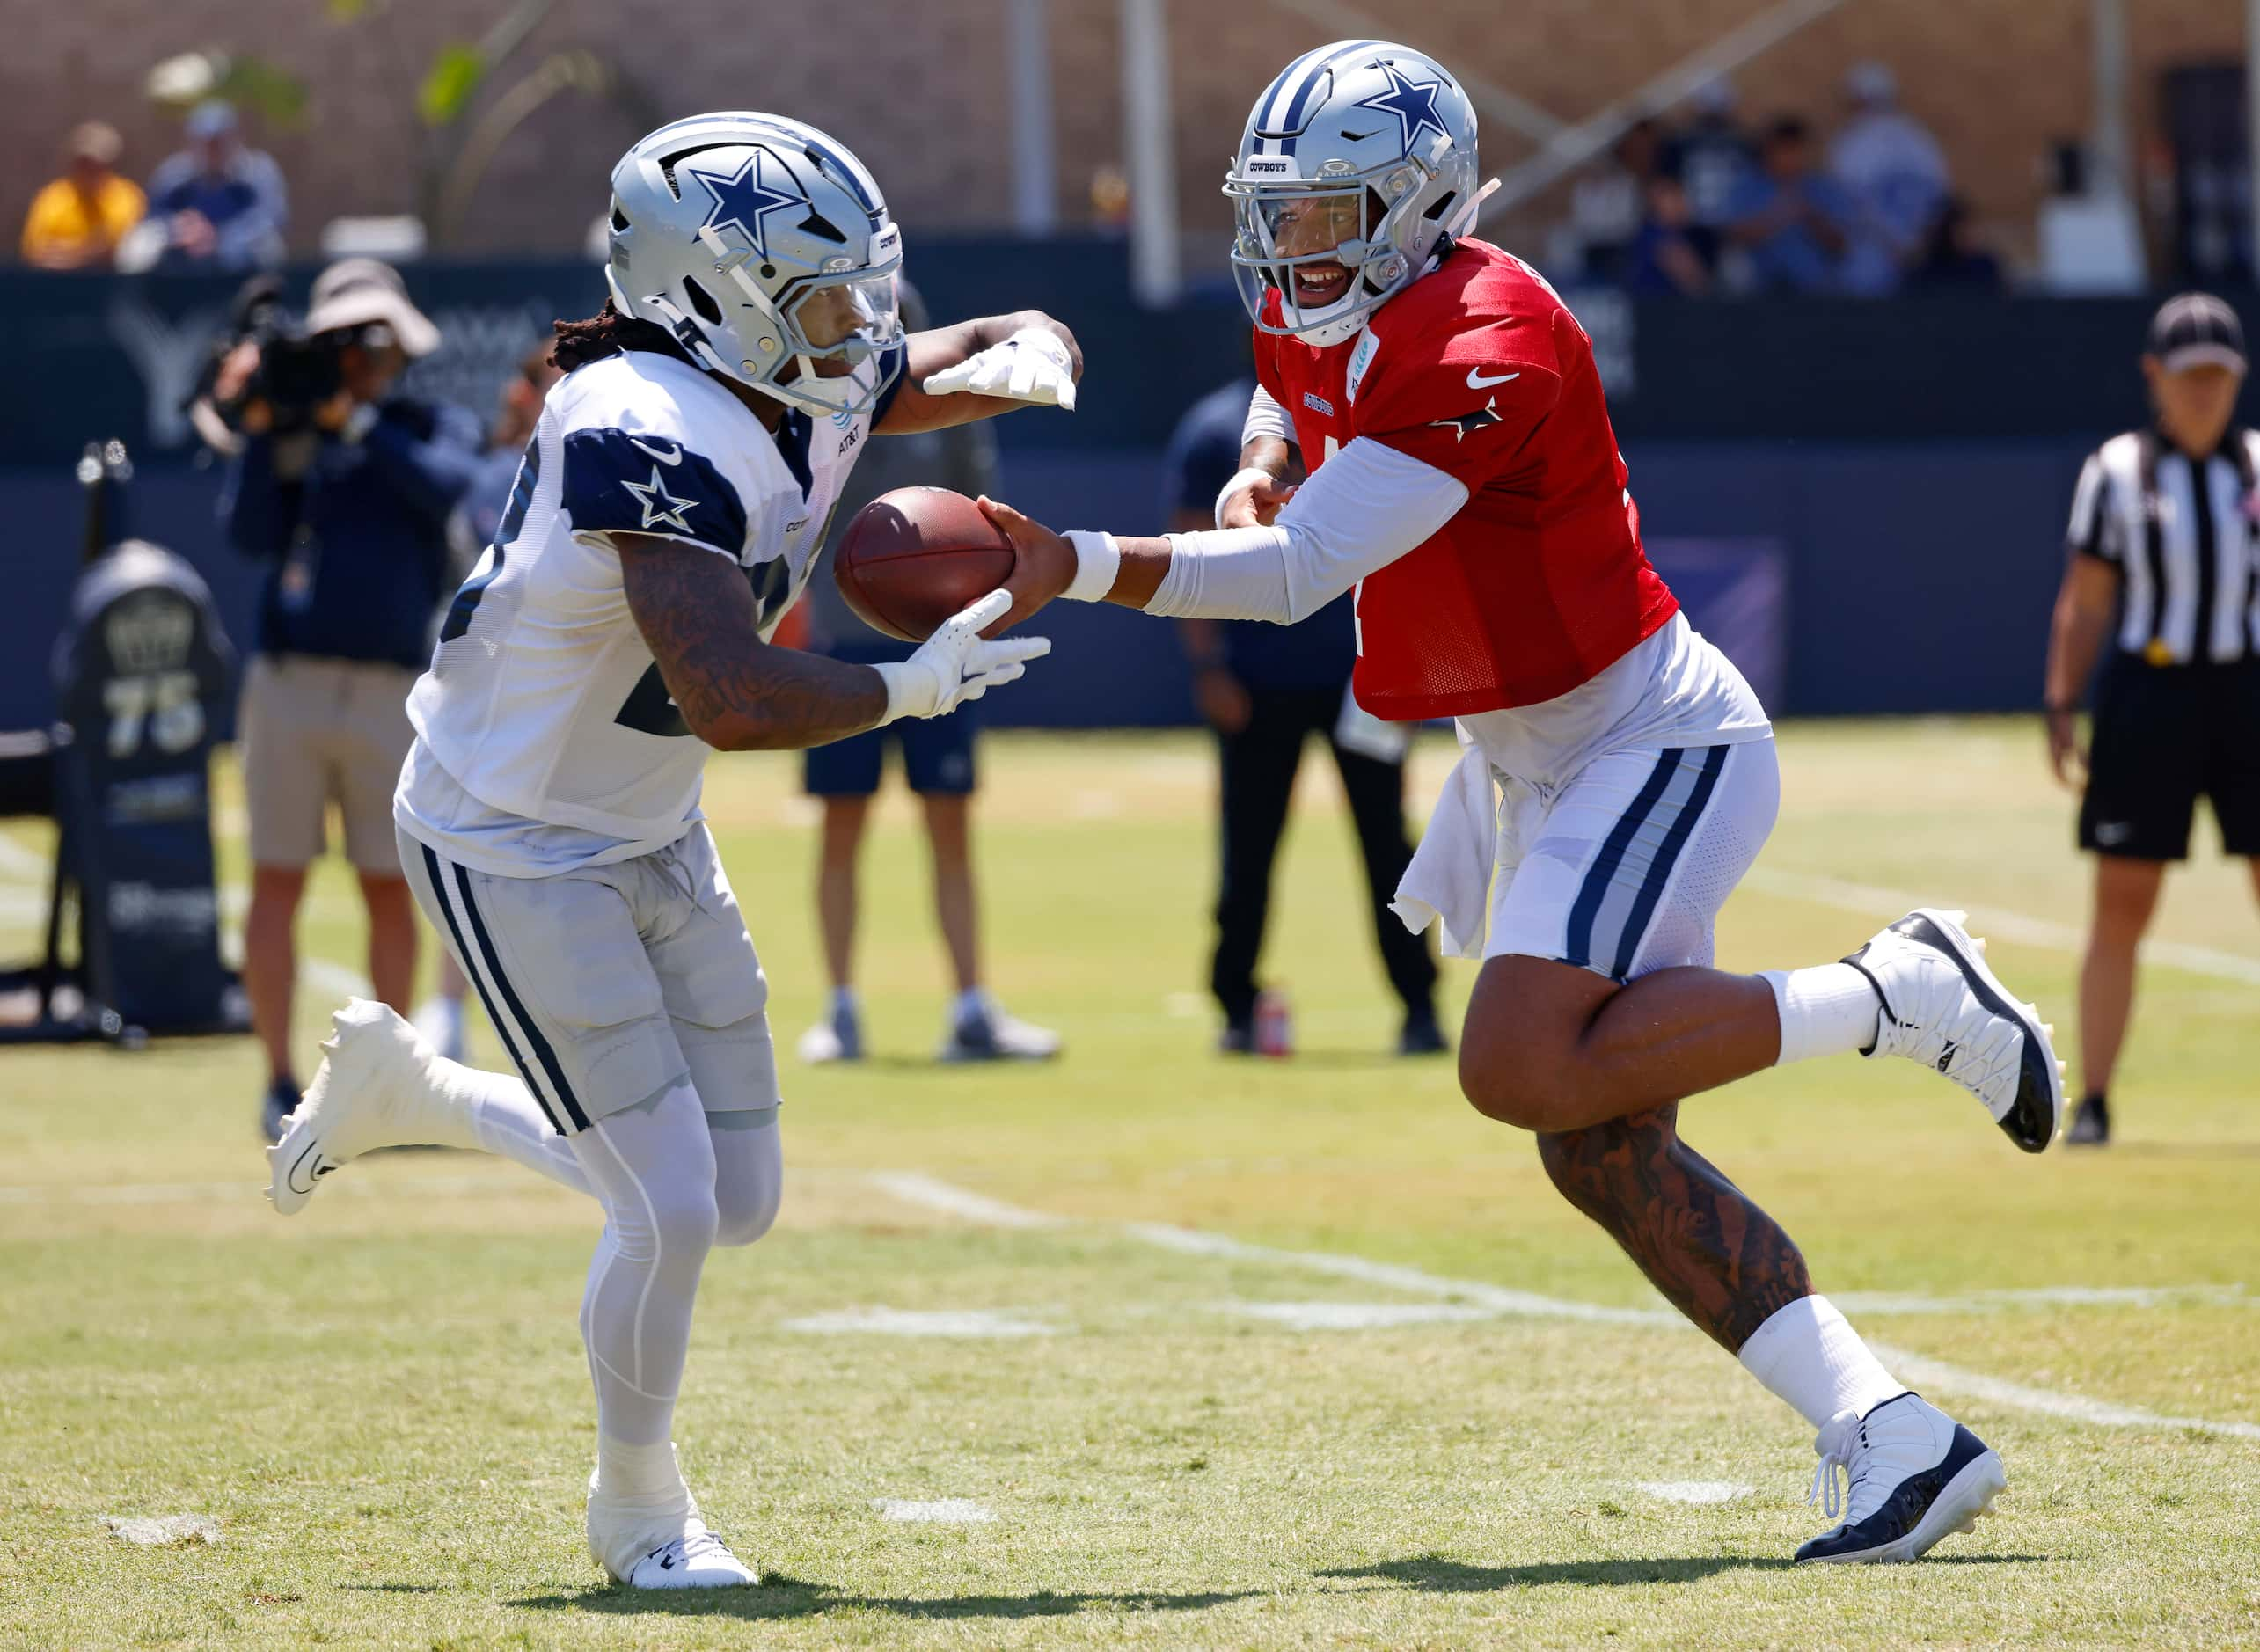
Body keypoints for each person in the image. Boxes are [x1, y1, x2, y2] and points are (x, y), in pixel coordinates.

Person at [977, 40, 2064, 1566]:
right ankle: (1890, 1435)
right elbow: (1281, 397)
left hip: (1643, 738)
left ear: (1413, 207)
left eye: (1317, 214)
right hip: (1526, 757)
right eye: (1273, 212)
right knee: (1595, 1142)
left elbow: (1295, 577)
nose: (1283, 246)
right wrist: (1257, 456)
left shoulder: (1483, 334)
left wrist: (1071, 557)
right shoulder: (1341, 295)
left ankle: (1893, 990)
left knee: (1512, 1062)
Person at [263, 113, 1075, 1590]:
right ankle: (639, 1510)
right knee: (669, 1203)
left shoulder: (778, 368)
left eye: (862, 289)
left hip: (644, 815)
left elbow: (948, 344)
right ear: (711, 297)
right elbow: (728, 689)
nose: (861, 331)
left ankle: (416, 1091)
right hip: (508, 831)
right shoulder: (636, 420)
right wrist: (904, 687)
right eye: (827, 299)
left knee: (741, 1194)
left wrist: (1032, 340)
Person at [217, 259, 485, 1140]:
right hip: (289, 682)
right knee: (277, 880)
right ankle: (275, 1079)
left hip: (389, 690)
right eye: (341, 343)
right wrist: (267, 425)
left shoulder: (422, 423)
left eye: (372, 341)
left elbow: (449, 490)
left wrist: (358, 421)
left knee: (385, 885)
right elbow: (250, 532)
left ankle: (380, 1082)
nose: (357, 357)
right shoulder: (293, 427)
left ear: (399, 346)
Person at [794, 282, 1058, 1066]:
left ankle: (972, 1006)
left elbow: (983, 517)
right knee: (842, 823)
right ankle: (839, 1010)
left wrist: (974, 615)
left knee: (949, 824)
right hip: (843, 645)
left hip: (938, 643)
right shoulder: (815, 412)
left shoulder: (946, 406)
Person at [1161, 374, 1442, 1055]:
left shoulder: (1368, 421)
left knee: (1387, 849)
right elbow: (1190, 546)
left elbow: (1410, 549)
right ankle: (1234, 1004)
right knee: (1248, 851)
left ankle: (1419, 1006)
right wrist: (1209, 667)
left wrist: (1405, 666)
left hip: (1361, 675)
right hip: (1259, 679)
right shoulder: (1213, 431)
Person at [2044, 293, 2260, 1146]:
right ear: (2154, 379)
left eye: (2218, 376)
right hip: (2152, 692)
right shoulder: (2117, 471)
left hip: (2248, 689)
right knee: (2123, 897)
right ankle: (2093, 1100)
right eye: (2189, 376)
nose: (2203, 393)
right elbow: (2087, 600)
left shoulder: (2256, 466)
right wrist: (2062, 700)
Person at [410, 344, 567, 1064]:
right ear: (526, 393)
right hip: (490, 693)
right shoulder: (502, 474)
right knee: (474, 847)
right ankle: (446, 1011)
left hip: (568, 695)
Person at [1828, 62, 1949, 296]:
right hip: (1921, 248)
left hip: (1870, 254)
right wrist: (1915, 240)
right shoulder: (1920, 138)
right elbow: (1939, 194)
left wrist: (1896, 242)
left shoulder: (1850, 144)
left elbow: (1851, 203)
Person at [146, 100, 287, 271]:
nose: (212, 148)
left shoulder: (258, 170)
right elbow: (154, 217)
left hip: (239, 250)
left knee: (270, 246)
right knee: (142, 245)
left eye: (218, 140)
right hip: (184, 247)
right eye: (205, 141)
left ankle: (264, 296)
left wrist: (219, 239)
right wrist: (178, 229)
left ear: (233, 138)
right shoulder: (173, 173)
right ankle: (140, 297)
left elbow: (272, 218)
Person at [1723, 116, 1853, 294]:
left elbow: (1841, 245)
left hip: (1813, 285)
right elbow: (1734, 236)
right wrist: (1780, 214)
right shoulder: (1748, 185)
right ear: (1768, 151)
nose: (1789, 158)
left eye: (1795, 150)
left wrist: (1811, 216)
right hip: (1760, 284)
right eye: (1782, 150)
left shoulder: (1822, 187)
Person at [19, 122, 144, 270]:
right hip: (56, 283)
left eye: (95, 164)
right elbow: (34, 251)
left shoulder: (127, 198)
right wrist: (87, 250)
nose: (88, 171)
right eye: (83, 163)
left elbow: (121, 252)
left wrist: (65, 249)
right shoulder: (53, 197)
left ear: (110, 165)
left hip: (109, 284)